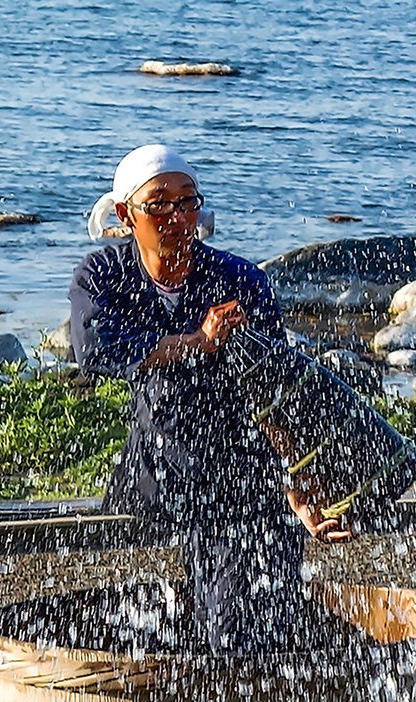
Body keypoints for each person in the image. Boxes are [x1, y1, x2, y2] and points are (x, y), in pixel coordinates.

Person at [69, 144, 349, 654]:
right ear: (126, 214)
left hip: (242, 466)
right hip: (158, 468)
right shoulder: (104, 274)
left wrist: (297, 485)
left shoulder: (240, 281)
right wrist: (196, 343)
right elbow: (96, 349)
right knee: (160, 625)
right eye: (158, 204)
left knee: (252, 629)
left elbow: (269, 393)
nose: (176, 217)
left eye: (187, 202)